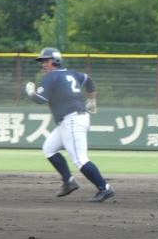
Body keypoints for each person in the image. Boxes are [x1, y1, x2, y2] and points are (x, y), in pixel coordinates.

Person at [25, 47, 115, 203]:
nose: (43, 64)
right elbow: (88, 80)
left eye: (47, 60)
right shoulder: (71, 74)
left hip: (72, 120)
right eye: (42, 61)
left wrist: (30, 92)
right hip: (70, 120)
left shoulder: (51, 76)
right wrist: (92, 101)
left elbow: (40, 99)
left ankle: (105, 188)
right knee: (49, 148)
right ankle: (69, 182)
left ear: (56, 61)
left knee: (80, 159)